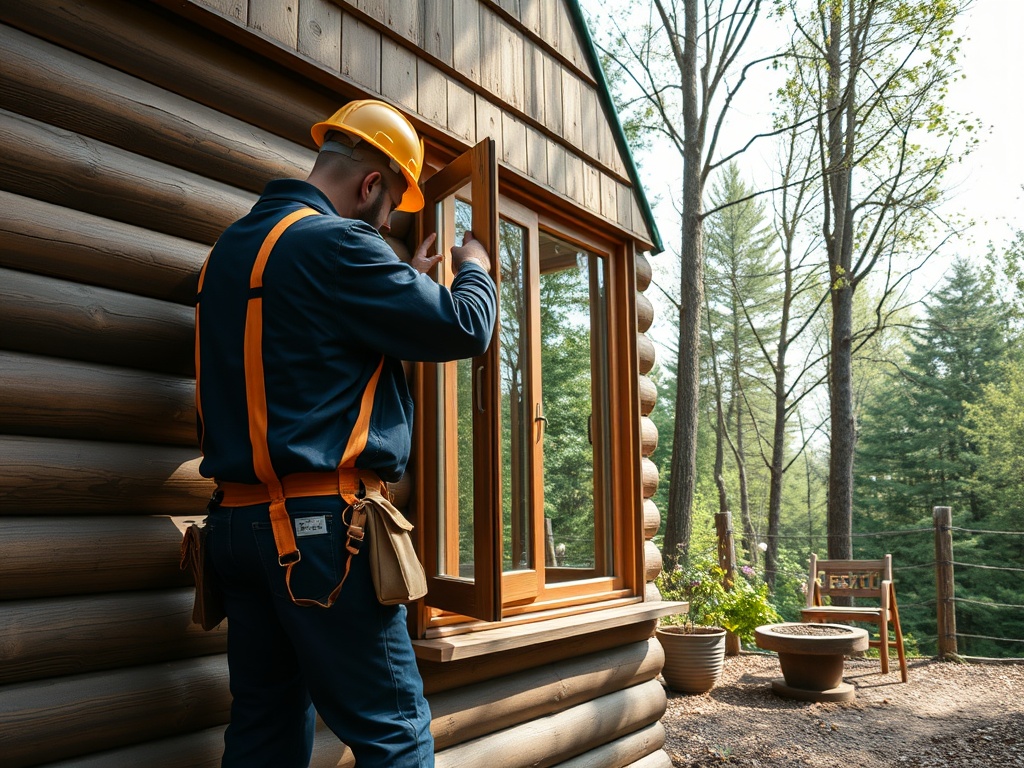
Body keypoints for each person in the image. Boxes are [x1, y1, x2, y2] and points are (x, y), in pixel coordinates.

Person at [194, 99, 496, 768]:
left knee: (264, 730)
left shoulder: (230, 252)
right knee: (394, 734)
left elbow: (300, 348)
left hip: (236, 532)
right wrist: (474, 267)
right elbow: (464, 328)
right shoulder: (338, 243)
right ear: (369, 186)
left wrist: (397, 286)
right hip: (323, 534)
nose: (388, 223)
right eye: (390, 208)